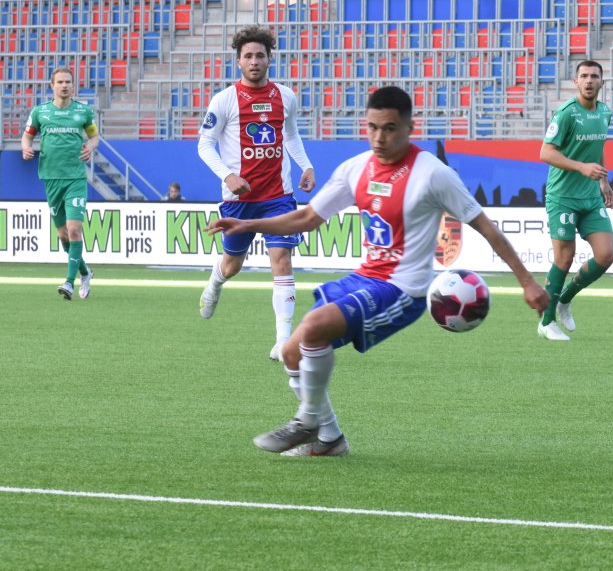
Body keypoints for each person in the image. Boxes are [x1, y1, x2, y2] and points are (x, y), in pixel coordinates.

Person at [206, 86, 549, 456]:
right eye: (372, 127)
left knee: (313, 326)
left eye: (389, 128)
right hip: (365, 277)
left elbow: (486, 227)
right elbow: (307, 218)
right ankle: (331, 439)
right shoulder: (355, 169)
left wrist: (527, 282)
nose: (379, 138)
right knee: (293, 352)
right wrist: (249, 225)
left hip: (403, 289)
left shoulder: (434, 174)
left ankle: (307, 421)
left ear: (409, 128)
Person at [197, 25, 316, 361]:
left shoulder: (286, 96)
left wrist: (306, 165)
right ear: (238, 61)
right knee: (232, 265)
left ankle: (283, 341)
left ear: (269, 59)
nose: (254, 61)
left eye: (259, 56)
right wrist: (228, 175)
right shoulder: (224, 100)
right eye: (247, 56)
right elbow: (204, 145)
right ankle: (215, 282)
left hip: (278, 196)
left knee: (282, 259)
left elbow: (290, 135)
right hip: (239, 201)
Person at [536, 60, 613, 342]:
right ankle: (546, 322)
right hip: (563, 197)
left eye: (594, 76)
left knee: (605, 256)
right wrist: (582, 168)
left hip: (590, 196)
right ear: (576, 81)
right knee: (564, 257)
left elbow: (597, 147)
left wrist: (603, 180)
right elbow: (545, 152)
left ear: (602, 82)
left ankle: (565, 299)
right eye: (584, 76)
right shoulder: (566, 113)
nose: (589, 80)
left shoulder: (605, 112)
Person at [21, 67, 98, 300]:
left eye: (68, 82)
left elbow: (94, 136)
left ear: (73, 85)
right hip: (51, 178)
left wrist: (90, 147)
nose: (64, 85)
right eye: (60, 82)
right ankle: (85, 272)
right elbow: (27, 135)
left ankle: (69, 283)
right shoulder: (40, 112)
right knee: (63, 236)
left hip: (75, 178)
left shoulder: (83, 111)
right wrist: (26, 147)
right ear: (52, 85)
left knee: (74, 229)